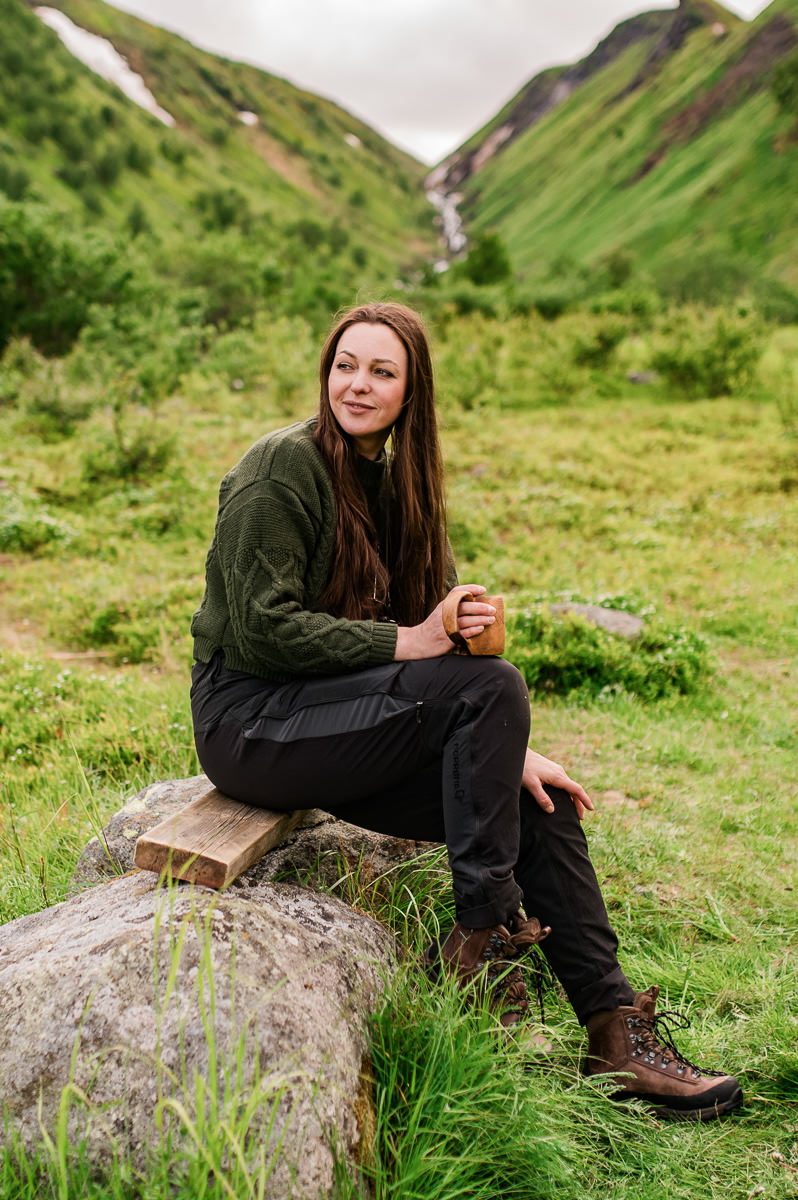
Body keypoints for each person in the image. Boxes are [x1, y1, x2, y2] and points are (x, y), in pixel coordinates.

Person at [190, 301, 742, 1121]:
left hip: (337, 720)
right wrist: (408, 642)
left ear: (412, 392)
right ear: (326, 370)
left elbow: (443, 648)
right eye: (346, 365)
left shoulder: (404, 484)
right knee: (494, 687)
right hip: (252, 724)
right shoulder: (282, 469)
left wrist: (504, 747)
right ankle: (481, 941)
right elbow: (263, 635)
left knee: (533, 796)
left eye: (382, 371)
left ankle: (614, 1036)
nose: (358, 385)